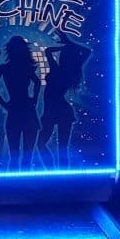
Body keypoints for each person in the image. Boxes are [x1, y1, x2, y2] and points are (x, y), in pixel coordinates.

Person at [37, 30, 91, 167]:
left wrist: (65, 45)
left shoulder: (58, 70)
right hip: (59, 110)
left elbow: (48, 51)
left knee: (44, 144)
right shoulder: (70, 72)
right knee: (61, 147)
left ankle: (52, 171)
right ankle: (57, 172)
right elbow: (87, 51)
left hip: (53, 110)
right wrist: (68, 44)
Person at [0, 35, 41, 170]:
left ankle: (20, 179)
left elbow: (37, 82)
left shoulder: (8, 68)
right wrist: (34, 98)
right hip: (21, 109)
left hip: (19, 108)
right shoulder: (15, 68)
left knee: (19, 155)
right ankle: (19, 179)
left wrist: (4, 103)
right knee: (19, 155)